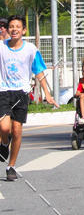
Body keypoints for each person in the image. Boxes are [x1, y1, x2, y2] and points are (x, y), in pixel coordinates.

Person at [0, 15, 56, 180]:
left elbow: (38, 71)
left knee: (16, 130)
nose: (14, 29)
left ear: (23, 30)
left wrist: (47, 93)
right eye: (11, 26)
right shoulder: (1, 47)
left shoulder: (30, 49)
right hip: (3, 91)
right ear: (8, 30)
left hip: (21, 93)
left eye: (18, 26)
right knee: (4, 128)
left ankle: (11, 166)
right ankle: (4, 143)